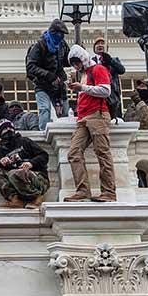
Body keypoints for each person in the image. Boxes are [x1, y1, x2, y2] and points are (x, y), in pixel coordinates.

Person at [64, 45, 116, 203]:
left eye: (76, 62)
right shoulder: (85, 74)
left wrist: (82, 88)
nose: (75, 66)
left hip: (97, 115)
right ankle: (82, 191)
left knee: (103, 153)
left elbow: (106, 90)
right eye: (73, 64)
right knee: (73, 152)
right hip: (84, 118)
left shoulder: (98, 69)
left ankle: (109, 192)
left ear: (83, 58)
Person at [0, 120, 49, 209]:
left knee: (14, 173)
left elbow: (44, 155)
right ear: (0, 133)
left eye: (10, 127)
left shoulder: (25, 141)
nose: (8, 130)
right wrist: (2, 162)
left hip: (38, 179)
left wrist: (31, 163)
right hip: (16, 182)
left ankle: (37, 198)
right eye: (4, 128)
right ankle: (15, 199)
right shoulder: (0, 151)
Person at [26, 20, 71, 130]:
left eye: (62, 35)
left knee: (64, 110)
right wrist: (48, 75)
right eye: (59, 34)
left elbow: (67, 61)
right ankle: (43, 134)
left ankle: (65, 133)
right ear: (53, 32)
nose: (61, 37)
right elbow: (30, 66)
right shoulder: (39, 45)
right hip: (42, 84)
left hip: (58, 86)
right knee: (44, 109)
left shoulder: (62, 45)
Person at [91, 36, 126, 120]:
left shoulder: (114, 60)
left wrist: (110, 61)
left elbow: (122, 70)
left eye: (102, 43)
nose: (100, 45)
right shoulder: (91, 61)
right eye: (97, 44)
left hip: (112, 96)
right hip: (96, 94)